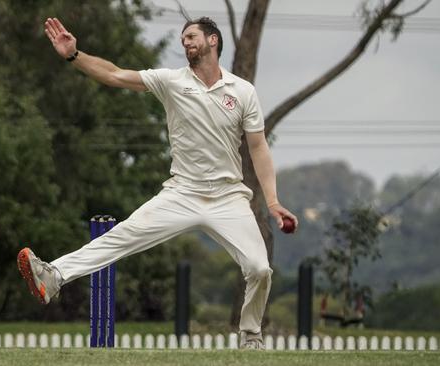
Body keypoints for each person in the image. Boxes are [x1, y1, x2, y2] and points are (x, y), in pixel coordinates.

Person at [17, 16, 298, 350]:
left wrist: (273, 202)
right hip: (182, 193)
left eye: (192, 36)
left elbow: (258, 148)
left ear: (213, 40)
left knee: (260, 268)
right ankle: (54, 276)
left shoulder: (242, 91)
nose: (185, 42)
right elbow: (114, 74)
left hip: (228, 197)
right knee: (121, 236)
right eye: (182, 38)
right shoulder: (171, 81)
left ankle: (250, 336)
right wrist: (74, 56)